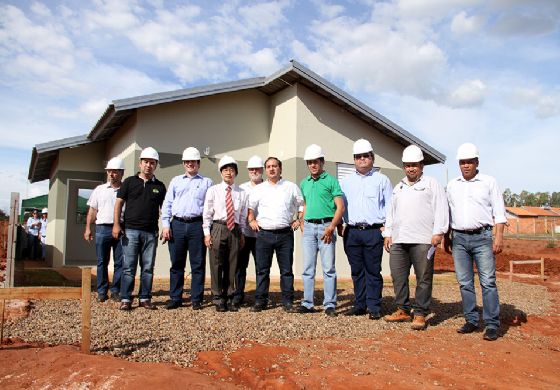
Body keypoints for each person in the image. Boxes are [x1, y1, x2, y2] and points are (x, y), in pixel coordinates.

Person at [444, 143, 506, 341]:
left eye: (470, 161)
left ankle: (491, 324)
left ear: (477, 162)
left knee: (488, 281)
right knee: (464, 282)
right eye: (462, 162)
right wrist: (446, 237)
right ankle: (471, 320)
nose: (466, 165)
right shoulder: (453, 185)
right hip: (459, 239)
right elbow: (448, 213)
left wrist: (498, 237)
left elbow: (499, 212)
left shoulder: (489, 182)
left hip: (483, 237)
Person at [382, 145, 449, 330]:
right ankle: (403, 310)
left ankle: (419, 313)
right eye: (407, 165)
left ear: (422, 166)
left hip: (423, 239)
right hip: (399, 239)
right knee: (398, 276)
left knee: (423, 278)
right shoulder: (399, 187)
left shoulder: (431, 184)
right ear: (404, 166)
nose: (411, 168)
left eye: (415, 165)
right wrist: (388, 233)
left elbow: (441, 207)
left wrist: (438, 232)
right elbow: (391, 213)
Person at [340, 139, 392, 320]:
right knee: (357, 270)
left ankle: (374, 306)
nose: (362, 159)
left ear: (372, 158)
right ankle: (360, 304)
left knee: (372, 270)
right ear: (354, 159)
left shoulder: (382, 180)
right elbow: (339, 206)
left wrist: (388, 232)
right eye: (358, 156)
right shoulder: (345, 182)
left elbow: (390, 208)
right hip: (352, 231)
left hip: (373, 232)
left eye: (365, 156)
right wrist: (339, 224)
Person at [113, 147, 166, 311]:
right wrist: (116, 224)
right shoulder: (129, 182)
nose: (148, 165)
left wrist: (166, 227)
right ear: (140, 163)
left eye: (152, 163)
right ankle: (126, 298)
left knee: (148, 268)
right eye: (146, 162)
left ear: (156, 165)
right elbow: (118, 204)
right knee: (128, 267)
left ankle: (145, 298)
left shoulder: (160, 186)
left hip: (151, 232)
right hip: (131, 231)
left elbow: (165, 209)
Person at [248, 157, 304, 312]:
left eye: (274, 166)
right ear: (265, 169)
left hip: (285, 234)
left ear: (280, 168)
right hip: (263, 234)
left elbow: (301, 205)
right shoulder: (259, 189)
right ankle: (260, 301)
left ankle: (288, 301)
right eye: (268, 166)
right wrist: (251, 220)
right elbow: (250, 208)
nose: (271, 169)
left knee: (286, 270)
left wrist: (299, 220)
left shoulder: (291, 187)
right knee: (262, 270)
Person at [161, 147, 212, 310]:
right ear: (184, 163)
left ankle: (197, 298)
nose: (190, 164)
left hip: (197, 225)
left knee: (198, 264)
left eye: (194, 161)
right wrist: (166, 225)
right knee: (177, 263)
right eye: (187, 162)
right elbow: (167, 204)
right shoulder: (176, 181)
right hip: (177, 225)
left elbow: (209, 208)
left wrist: (207, 231)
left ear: (199, 163)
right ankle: (175, 297)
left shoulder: (207, 182)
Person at [298, 144, 344, 317]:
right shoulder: (304, 183)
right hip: (309, 228)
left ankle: (330, 304)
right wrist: (302, 222)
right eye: (309, 162)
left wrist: (332, 226)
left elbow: (340, 207)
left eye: (315, 161)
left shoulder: (331, 181)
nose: (312, 165)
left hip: (327, 228)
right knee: (308, 268)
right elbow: (305, 205)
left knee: (328, 268)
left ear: (322, 162)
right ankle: (307, 303)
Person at [203, 156, 248, 312]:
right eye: (225, 170)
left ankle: (229, 296)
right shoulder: (213, 190)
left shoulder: (242, 192)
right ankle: (217, 297)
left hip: (234, 229)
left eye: (232, 170)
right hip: (218, 227)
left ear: (236, 172)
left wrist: (241, 233)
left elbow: (242, 215)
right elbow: (207, 213)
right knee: (216, 263)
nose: (229, 173)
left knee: (232, 263)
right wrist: (207, 234)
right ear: (221, 172)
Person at [84, 157, 125, 303]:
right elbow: (92, 210)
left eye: (115, 172)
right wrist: (88, 228)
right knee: (102, 261)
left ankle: (116, 291)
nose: (112, 174)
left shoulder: (126, 190)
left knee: (120, 262)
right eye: (109, 171)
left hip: (121, 229)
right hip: (102, 228)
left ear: (121, 173)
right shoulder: (99, 190)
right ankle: (102, 291)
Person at [233, 155, 264, 307]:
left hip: (262, 235)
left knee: (261, 267)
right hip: (244, 234)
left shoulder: (268, 187)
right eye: (251, 169)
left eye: (257, 169)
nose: (254, 171)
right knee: (240, 266)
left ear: (262, 170)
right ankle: (238, 295)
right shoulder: (242, 188)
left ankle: (260, 296)